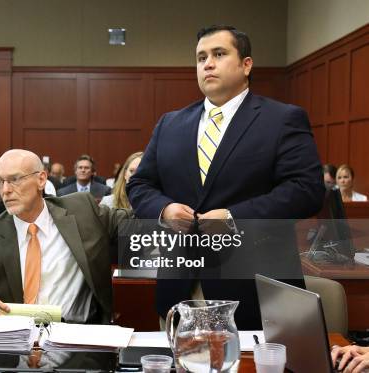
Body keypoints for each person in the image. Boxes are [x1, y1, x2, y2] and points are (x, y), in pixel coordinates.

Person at [126, 25, 324, 329]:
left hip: (253, 289)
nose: (208, 63)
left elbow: (306, 191)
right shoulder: (170, 123)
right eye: (201, 57)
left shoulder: (282, 119)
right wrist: (164, 210)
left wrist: (234, 217)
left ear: (246, 64)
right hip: (180, 286)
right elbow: (140, 184)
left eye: (219, 54)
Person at [0, 149, 131, 324]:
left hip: (77, 337)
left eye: (15, 179)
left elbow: (135, 222)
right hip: (14, 341)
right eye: (0, 182)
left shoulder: (82, 211)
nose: (5, 190)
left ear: (41, 179)